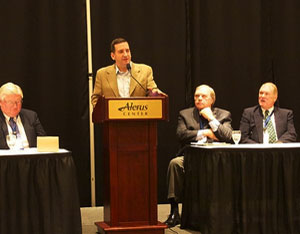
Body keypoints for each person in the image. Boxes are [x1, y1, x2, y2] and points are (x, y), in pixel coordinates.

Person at [164, 84, 233, 227]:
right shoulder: (185, 114)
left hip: (215, 159)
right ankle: (174, 211)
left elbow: (228, 136)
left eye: (203, 96)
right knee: (174, 164)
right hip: (190, 157)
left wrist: (211, 119)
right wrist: (206, 133)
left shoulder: (223, 114)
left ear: (212, 99)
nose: (199, 99)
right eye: (196, 96)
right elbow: (181, 135)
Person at [91, 38, 165, 106]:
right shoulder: (102, 74)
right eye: (121, 52)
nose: (125, 54)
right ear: (113, 56)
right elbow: (95, 98)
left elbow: (153, 90)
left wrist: (157, 93)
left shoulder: (145, 71)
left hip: (138, 118)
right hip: (113, 119)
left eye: (127, 50)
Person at [0, 82, 46, 149]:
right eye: (11, 102)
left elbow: (44, 141)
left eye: (18, 102)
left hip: (31, 158)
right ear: (1, 102)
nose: (15, 106)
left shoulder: (31, 116)